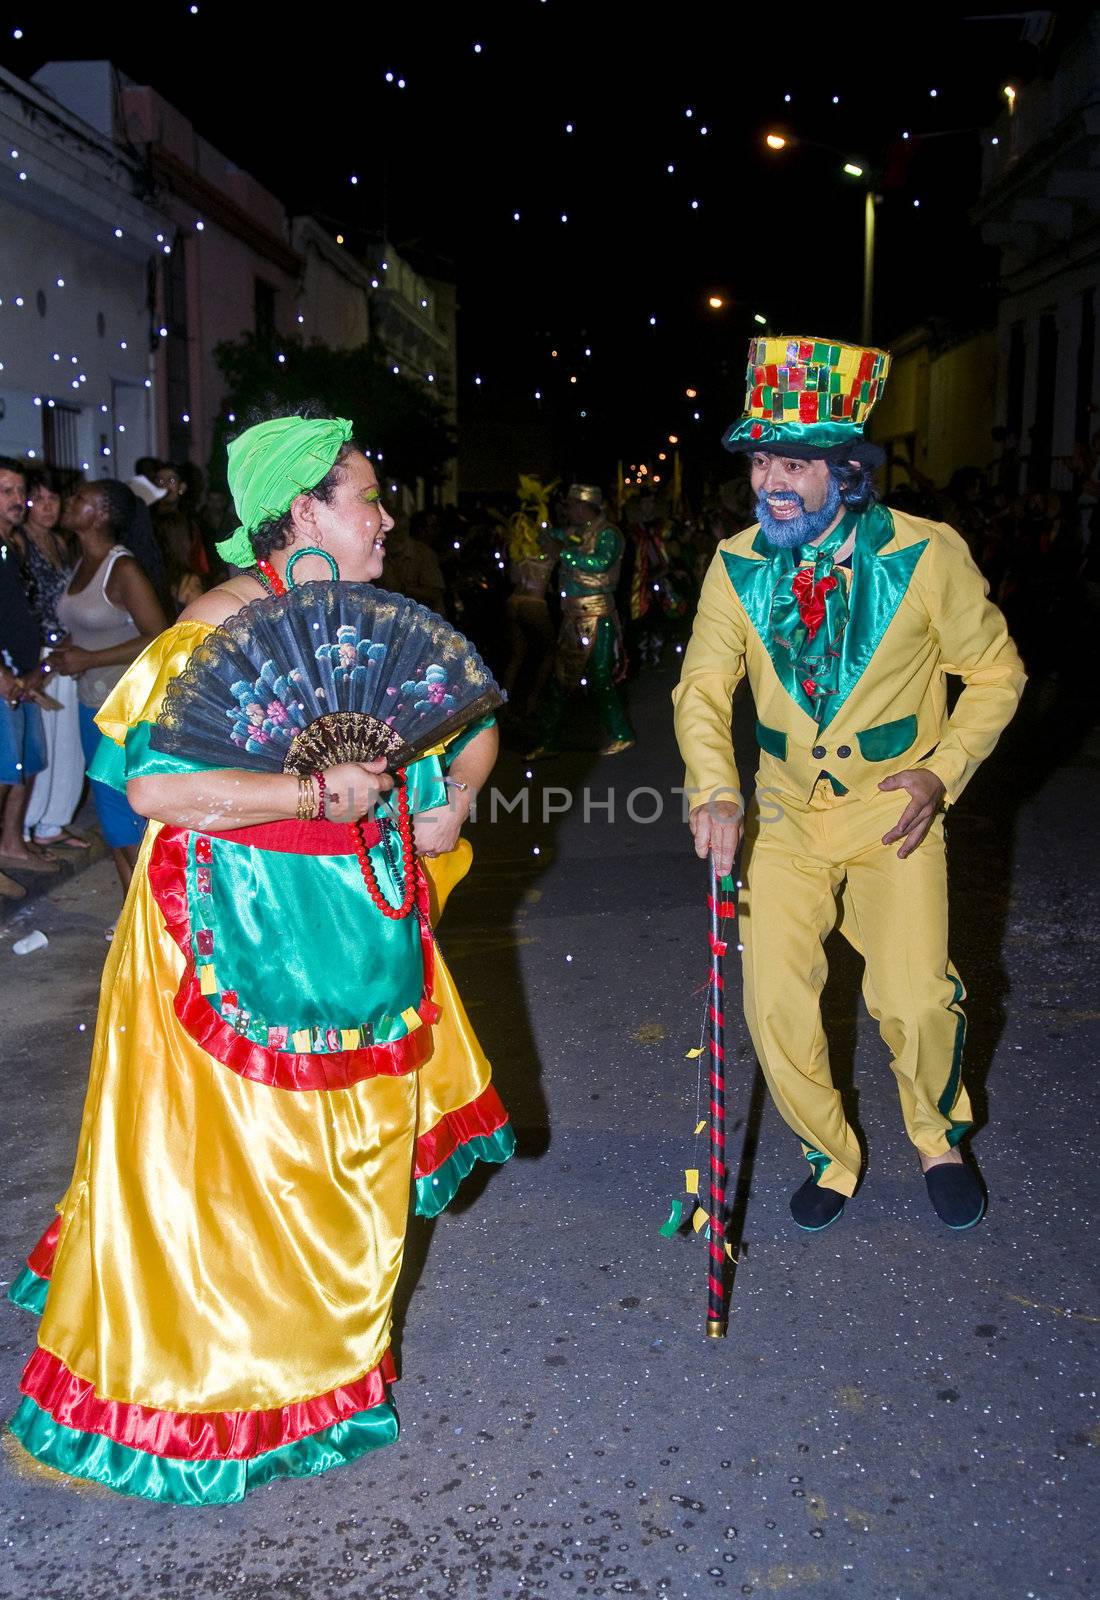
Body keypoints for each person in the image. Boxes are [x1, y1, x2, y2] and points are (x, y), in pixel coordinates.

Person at [7, 403, 514, 1505]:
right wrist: (307, 791)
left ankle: (323, 1374)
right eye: (367, 497)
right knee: (230, 1177)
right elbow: (152, 789)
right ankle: (215, 1389)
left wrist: (460, 800)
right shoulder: (210, 634)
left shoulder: (361, 619)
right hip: (222, 935)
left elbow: (468, 717)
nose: (387, 519)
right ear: (302, 515)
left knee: (350, 1152)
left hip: (359, 929)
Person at [673, 335, 1026, 1232]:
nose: (770, 482)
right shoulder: (735, 563)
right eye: (760, 460)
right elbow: (703, 689)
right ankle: (829, 1152)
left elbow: (996, 673)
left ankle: (937, 1137)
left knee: (914, 998)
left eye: (793, 462)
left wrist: (941, 773)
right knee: (775, 1004)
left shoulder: (928, 554)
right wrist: (715, 789)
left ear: (846, 468)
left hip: (892, 817)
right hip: (784, 820)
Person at [51, 481, 168, 908]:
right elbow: (88, 627)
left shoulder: (122, 570)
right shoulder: (84, 561)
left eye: (78, 498)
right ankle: (131, 920)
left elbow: (159, 636)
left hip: (123, 710)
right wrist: (70, 649)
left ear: (101, 513)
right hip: (91, 705)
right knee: (115, 825)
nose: (69, 502)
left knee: (123, 821)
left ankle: (164, 922)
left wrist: (88, 658)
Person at [527, 483, 635, 758]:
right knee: (563, 681)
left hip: (597, 616)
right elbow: (547, 539)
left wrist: (561, 552)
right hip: (572, 616)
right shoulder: (576, 533)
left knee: (597, 678)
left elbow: (600, 563)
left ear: (586, 507)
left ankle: (621, 735)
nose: (568, 511)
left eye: (572, 506)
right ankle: (550, 741)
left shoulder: (609, 534)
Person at [21, 468, 88, 853]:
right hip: (40, 656)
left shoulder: (61, 543)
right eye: (40, 499)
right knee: (42, 740)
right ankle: (27, 824)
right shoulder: (20, 544)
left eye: (53, 499)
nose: (48, 507)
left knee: (68, 741)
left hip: (65, 651)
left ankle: (53, 820)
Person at [0, 456, 56, 887]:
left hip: (23, 675)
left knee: (26, 764)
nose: (19, 500)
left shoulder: (10, 546)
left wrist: (31, 670)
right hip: (4, 677)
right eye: (7, 492)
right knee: (3, 769)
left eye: (21, 491)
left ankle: (12, 845)